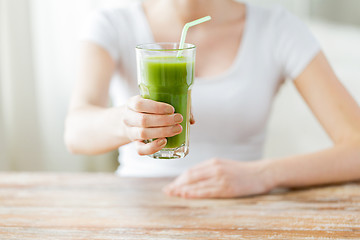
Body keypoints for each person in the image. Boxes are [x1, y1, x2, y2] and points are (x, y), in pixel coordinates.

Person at [64, 0, 360, 199]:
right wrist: (125, 121)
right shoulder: (112, 22)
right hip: (139, 205)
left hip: (244, 207)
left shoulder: (277, 28)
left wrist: (264, 174)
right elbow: (75, 132)